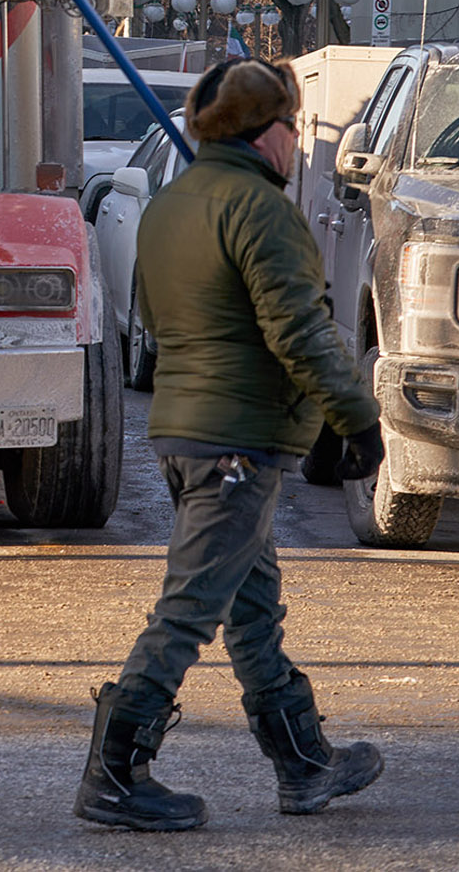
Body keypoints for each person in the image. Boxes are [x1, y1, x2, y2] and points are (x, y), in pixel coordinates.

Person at [75, 57, 386, 831]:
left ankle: (304, 761)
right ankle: (115, 772)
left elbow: (151, 312)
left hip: (187, 429)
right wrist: (356, 418)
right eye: (290, 126)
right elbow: (301, 329)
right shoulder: (261, 211)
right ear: (264, 130)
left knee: (252, 612)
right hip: (236, 441)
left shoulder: (172, 205)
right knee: (189, 609)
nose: (295, 142)